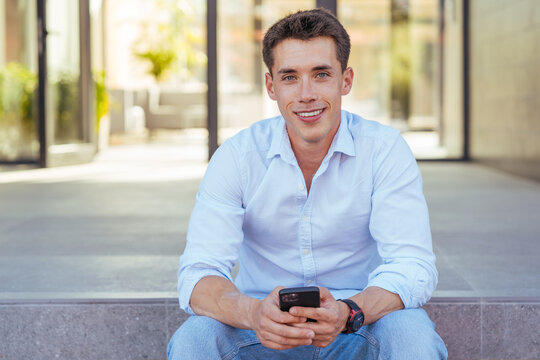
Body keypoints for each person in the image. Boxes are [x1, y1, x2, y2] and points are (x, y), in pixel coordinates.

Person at [168, 8, 447, 360]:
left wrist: (349, 311)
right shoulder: (238, 157)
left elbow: (413, 264)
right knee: (196, 336)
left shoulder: (384, 150)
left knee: (411, 332)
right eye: (289, 77)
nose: (306, 94)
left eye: (321, 75)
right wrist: (253, 313)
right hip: (260, 328)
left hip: (357, 324)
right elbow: (199, 273)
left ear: (345, 80)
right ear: (271, 86)